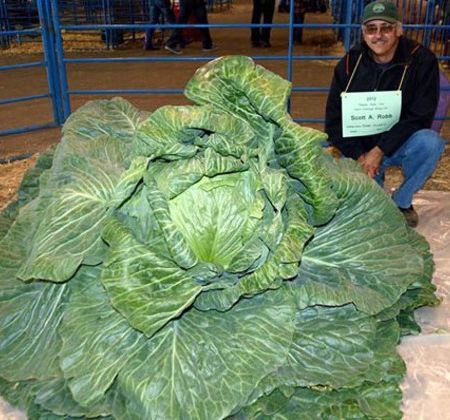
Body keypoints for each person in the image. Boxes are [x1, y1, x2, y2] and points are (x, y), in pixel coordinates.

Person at [325, 0, 446, 227]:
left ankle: (402, 201)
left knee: (432, 143)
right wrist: (360, 156)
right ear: (364, 33)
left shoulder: (422, 60)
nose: (378, 35)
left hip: (400, 142)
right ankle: (375, 190)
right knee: (368, 210)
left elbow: (420, 116)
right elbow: (333, 122)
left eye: (386, 28)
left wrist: (379, 151)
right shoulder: (349, 64)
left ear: (399, 30)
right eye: (372, 29)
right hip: (360, 148)